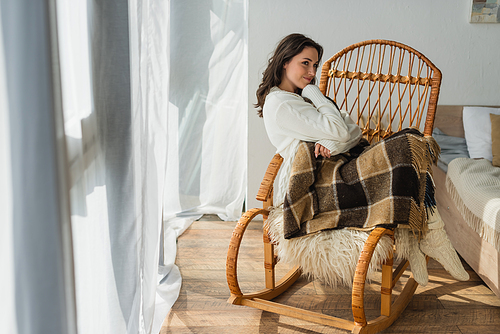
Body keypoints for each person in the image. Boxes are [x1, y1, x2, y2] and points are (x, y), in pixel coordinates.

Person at [256, 33, 468, 286]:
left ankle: (418, 238)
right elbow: (343, 130)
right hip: (315, 181)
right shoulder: (282, 103)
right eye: (305, 63)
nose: (312, 71)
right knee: (406, 145)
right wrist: (318, 97)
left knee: (409, 142)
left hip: (335, 166)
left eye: (315, 65)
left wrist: (333, 142)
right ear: (284, 61)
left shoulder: (296, 99)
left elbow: (353, 131)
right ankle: (431, 235)